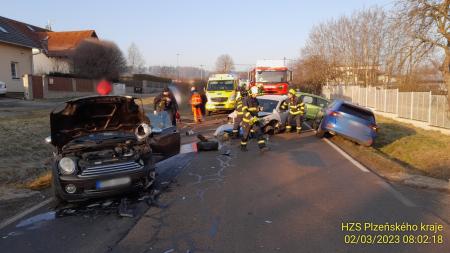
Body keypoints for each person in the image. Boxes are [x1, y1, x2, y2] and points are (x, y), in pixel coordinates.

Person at [240, 86, 267, 152]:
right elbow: (244, 111)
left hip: (255, 120)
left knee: (259, 132)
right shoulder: (246, 100)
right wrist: (250, 117)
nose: (256, 95)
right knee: (245, 135)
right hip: (247, 121)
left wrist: (259, 109)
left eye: (257, 94)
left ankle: (262, 147)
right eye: (255, 94)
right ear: (251, 93)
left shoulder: (255, 100)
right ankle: (243, 147)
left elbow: (256, 109)